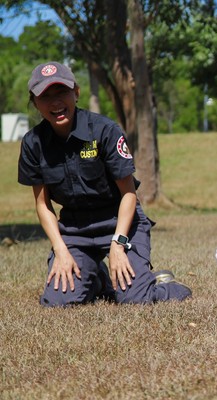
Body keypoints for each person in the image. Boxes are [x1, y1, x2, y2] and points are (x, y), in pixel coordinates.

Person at [18, 61, 192, 307]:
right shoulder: (33, 143)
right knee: (57, 302)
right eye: (45, 96)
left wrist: (118, 244)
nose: (55, 102)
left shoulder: (105, 131)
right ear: (35, 102)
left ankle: (166, 287)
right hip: (74, 229)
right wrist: (60, 250)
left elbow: (129, 194)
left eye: (61, 92)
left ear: (76, 93)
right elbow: (43, 204)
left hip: (121, 222)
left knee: (134, 299)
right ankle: (98, 277)